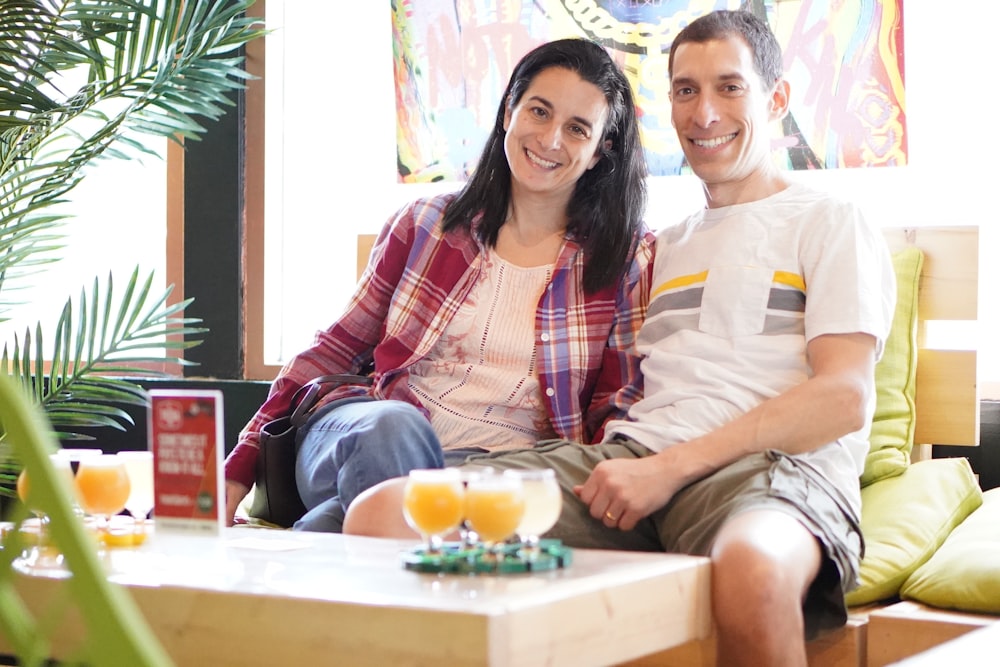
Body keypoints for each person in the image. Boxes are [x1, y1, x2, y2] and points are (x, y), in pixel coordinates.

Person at [344, 10, 896, 666]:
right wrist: (637, 464)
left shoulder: (831, 220)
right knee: (384, 515)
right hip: (629, 466)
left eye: (729, 87)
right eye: (686, 90)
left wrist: (668, 469)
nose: (705, 112)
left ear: (775, 98)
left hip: (767, 474)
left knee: (751, 570)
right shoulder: (662, 248)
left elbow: (842, 398)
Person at [223, 38, 654, 532]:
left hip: (488, 472)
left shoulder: (625, 261)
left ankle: (351, 545)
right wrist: (236, 471)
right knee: (394, 429)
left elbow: (615, 410)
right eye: (539, 111)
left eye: (577, 129)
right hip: (363, 430)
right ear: (509, 110)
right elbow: (331, 352)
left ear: (602, 152)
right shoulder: (426, 225)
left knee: (330, 529)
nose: (551, 138)